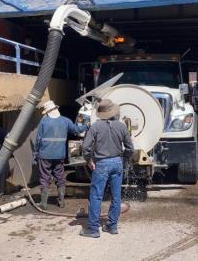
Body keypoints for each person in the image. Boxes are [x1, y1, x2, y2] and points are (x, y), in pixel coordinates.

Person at [80, 99, 134, 238]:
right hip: (117, 162)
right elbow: (130, 148)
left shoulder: (95, 127)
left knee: (96, 196)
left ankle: (93, 229)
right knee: (116, 196)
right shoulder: (121, 126)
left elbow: (85, 147)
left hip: (101, 163)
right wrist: (124, 159)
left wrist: (88, 160)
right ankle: (112, 226)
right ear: (113, 112)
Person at [34, 100, 88, 209]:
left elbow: (38, 140)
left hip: (44, 155)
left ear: (48, 112)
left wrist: (35, 153)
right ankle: (61, 201)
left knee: (44, 178)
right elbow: (76, 130)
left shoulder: (44, 122)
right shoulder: (65, 121)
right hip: (59, 155)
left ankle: (44, 203)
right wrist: (86, 124)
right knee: (60, 177)